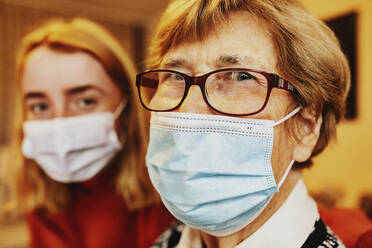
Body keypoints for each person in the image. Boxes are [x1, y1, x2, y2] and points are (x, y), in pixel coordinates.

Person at [135, 0, 351, 247]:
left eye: (240, 76)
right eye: (174, 76)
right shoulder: (171, 238)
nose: (188, 108)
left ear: (307, 128)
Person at [2, 18, 173, 248]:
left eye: (85, 101)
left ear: (126, 107)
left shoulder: (171, 202)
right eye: (41, 106)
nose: (60, 122)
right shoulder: (44, 206)